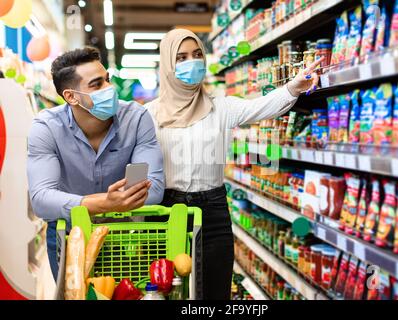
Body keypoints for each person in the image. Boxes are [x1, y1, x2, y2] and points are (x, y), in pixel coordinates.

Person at [146, 29, 322, 300]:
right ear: (168, 63)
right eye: (180, 57)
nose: (191, 63)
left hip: (213, 210)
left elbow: (262, 107)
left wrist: (293, 87)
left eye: (196, 55)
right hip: (167, 210)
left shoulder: (221, 107)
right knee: (167, 291)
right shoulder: (148, 114)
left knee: (215, 290)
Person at [27, 47, 165, 280]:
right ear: (71, 96)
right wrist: (107, 202)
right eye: (97, 84)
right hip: (70, 234)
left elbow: (154, 189)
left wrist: (107, 205)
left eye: (108, 80)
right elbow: (41, 199)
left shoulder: (136, 118)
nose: (110, 89)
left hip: (123, 234)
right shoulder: (46, 127)